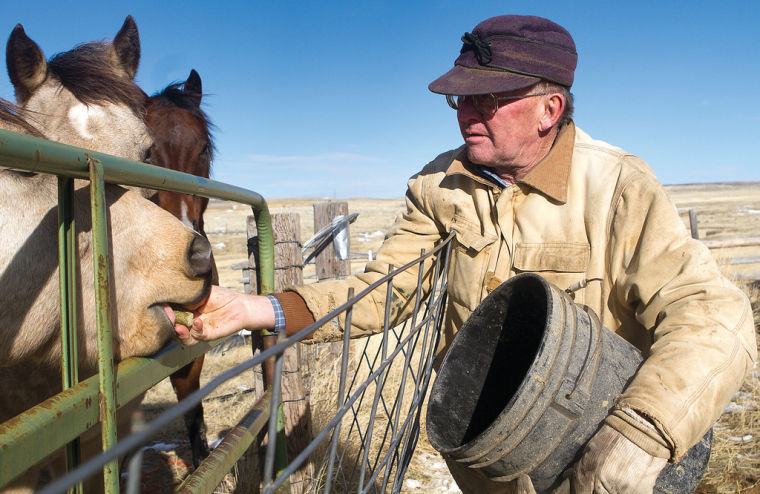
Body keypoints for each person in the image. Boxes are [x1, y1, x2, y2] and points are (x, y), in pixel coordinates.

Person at [173, 14, 757, 494]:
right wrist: (256, 310)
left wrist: (642, 433)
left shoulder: (617, 187)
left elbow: (713, 316)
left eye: (486, 99)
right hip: (483, 454)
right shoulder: (437, 186)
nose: (464, 113)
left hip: (597, 453)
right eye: (458, 99)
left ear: (549, 109)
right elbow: (383, 293)